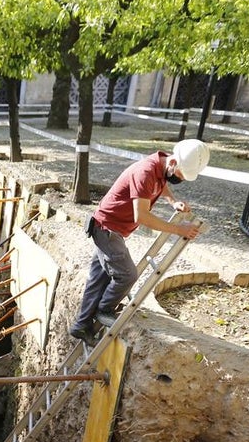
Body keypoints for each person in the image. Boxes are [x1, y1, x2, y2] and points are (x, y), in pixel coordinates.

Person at [68, 139, 209, 341]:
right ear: (172, 163)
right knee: (126, 275)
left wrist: (173, 201)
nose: (181, 179)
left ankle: (81, 326)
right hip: (106, 228)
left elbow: (161, 185)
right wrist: (178, 229)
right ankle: (103, 310)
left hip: (110, 227)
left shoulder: (160, 169)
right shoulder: (146, 172)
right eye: (180, 174)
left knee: (98, 280)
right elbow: (141, 217)